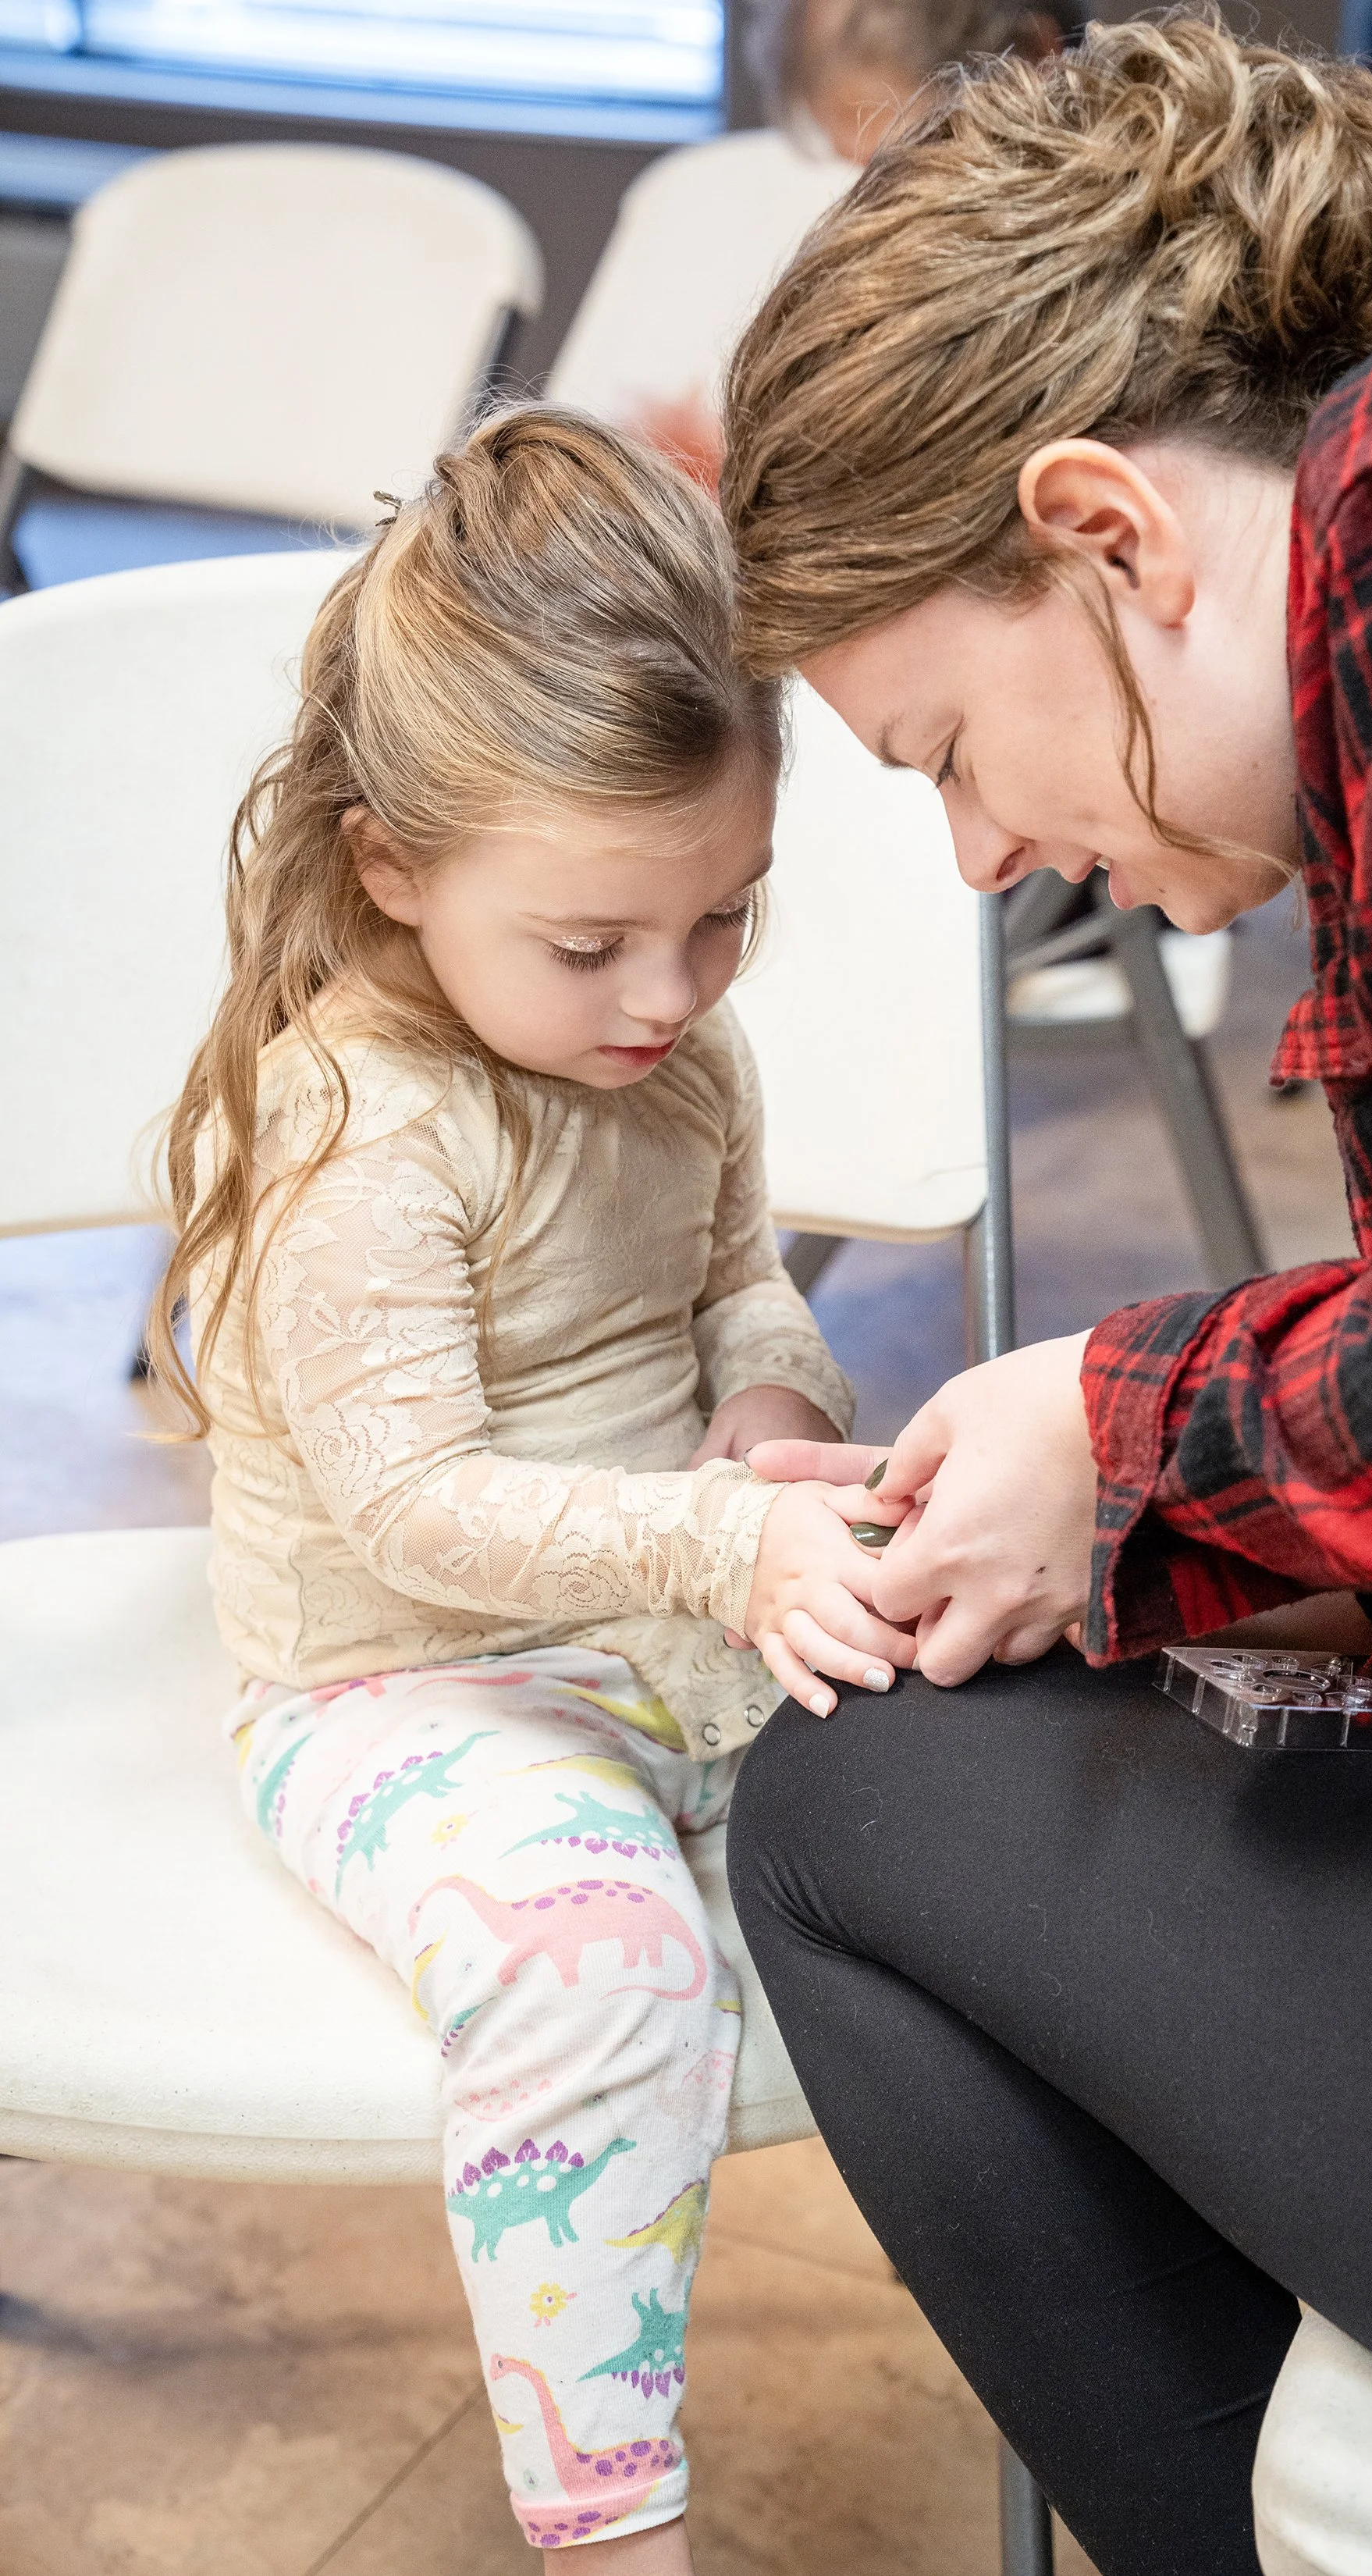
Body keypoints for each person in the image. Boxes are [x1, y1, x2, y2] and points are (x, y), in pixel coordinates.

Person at [716, 16, 1372, 2573]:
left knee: (846, 1807)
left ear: (1112, 533)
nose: (969, 855)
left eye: (946, 740)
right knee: (969, 1724)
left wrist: (1119, 1413)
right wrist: (1129, 1516)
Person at [147, 407, 914, 2571]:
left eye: (726, 919)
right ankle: (609, 2531)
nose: (668, 998)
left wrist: (771, 1416)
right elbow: (414, 1506)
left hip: (680, 1618)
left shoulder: (679, 1041)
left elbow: (741, 1282)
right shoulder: (365, 1125)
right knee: (594, 1966)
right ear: (392, 858)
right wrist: (719, 1534)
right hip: (408, 1683)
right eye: (591, 944)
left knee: (1020, 1777)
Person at [547, 0, 1082, 489]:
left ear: (1038, 62)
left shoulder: (1076, 278)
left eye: (906, 162)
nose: (873, 202)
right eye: (849, 162)